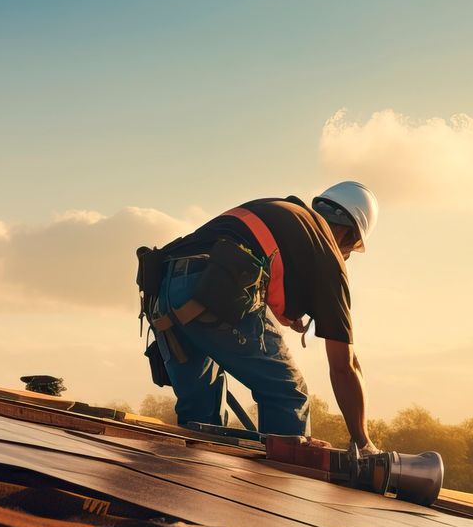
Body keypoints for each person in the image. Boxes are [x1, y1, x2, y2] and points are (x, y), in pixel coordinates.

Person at [141, 182, 380, 451]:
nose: (345, 256)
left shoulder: (282, 211)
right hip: (211, 287)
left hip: (163, 293)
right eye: (349, 249)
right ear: (348, 235)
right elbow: (344, 365)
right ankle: (282, 481)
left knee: (201, 417)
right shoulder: (327, 253)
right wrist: (362, 439)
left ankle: (190, 479)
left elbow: (251, 259)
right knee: (287, 393)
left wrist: (289, 311)